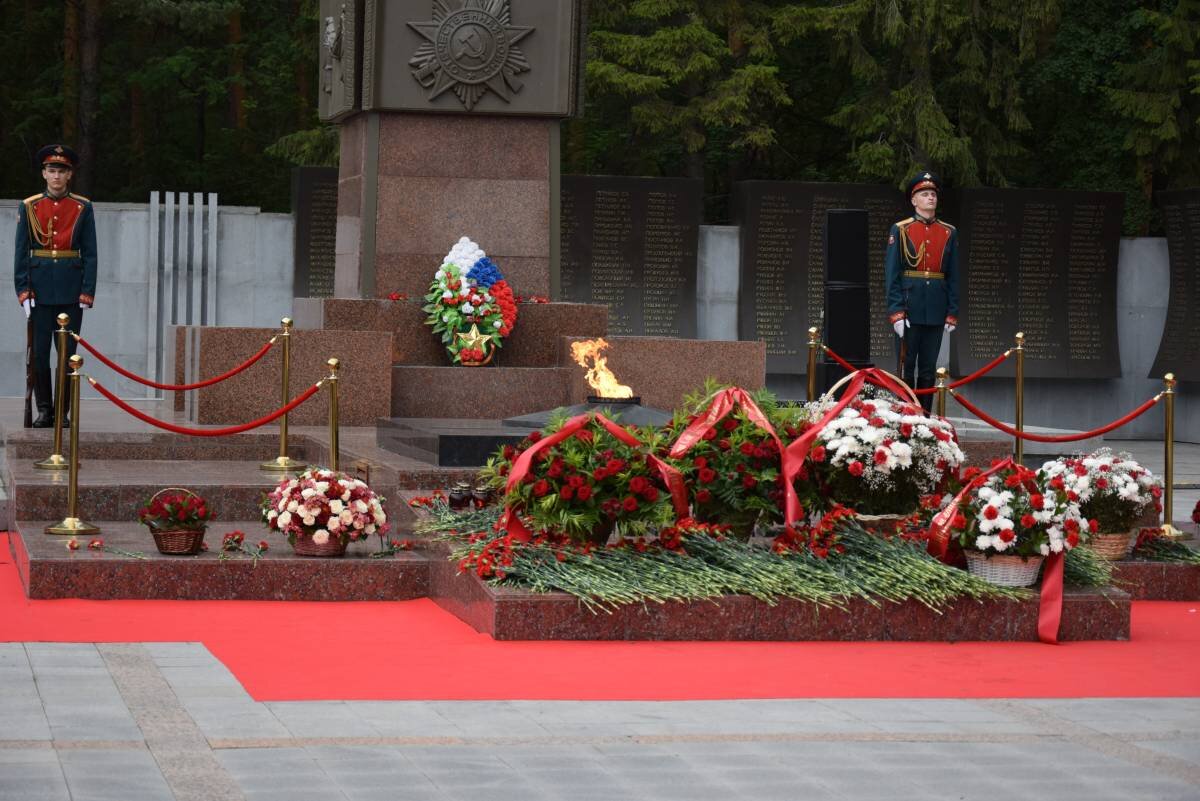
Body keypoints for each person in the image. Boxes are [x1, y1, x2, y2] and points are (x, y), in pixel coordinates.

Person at [13, 144, 97, 428]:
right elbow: (21, 252)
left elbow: (91, 253)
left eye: (62, 170)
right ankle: (44, 410)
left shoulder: (82, 207)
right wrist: (23, 290)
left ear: (70, 175)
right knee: (39, 354)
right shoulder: (30, 206)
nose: (57, 176)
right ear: (44, 174)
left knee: (67, 355)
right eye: (52, 170)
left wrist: (87, 291)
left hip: (71, 291)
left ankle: (62, 412)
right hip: (38, 291)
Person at [884, 171, 959, 414]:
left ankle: (925, 417)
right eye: (924, 194)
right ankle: (907, 416)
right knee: (906, 366)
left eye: (933, 194)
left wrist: (952, 311)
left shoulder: (948, 231)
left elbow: (953, 274)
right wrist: (896, 312)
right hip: (909, 307)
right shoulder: (901, 229)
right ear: (913, 200)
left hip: (936, 307)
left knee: (928, 367)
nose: (930, 198)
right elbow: (892, 274)